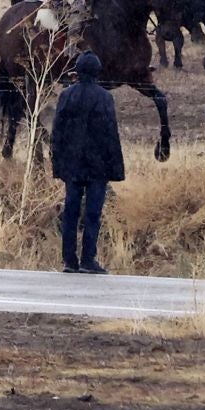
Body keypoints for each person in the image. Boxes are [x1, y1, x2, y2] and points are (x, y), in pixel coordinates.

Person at [50, 51, 123, 274]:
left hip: (72, 165)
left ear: (77, 71)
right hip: (97, 166)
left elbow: (57, 133)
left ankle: (69, 260)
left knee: (71, 211)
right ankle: (88, 259)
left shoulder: (66, 95)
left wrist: (58, 164)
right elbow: (111, 134)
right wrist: (115, 168)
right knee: (93, 213)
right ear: (97, 72)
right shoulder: (104, 97)